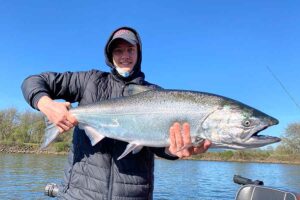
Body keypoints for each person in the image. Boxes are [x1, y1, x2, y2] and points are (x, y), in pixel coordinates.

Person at [21, 27, 211, 200]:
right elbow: (34, 81)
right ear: (110, 55)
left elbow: (160, 148)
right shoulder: (89, 81)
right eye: (118, 50)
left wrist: (175, 151)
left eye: (130, 49)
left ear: (139, 53)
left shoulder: (156, 94)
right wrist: (46, 104)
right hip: (79, 194)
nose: (125, 56)